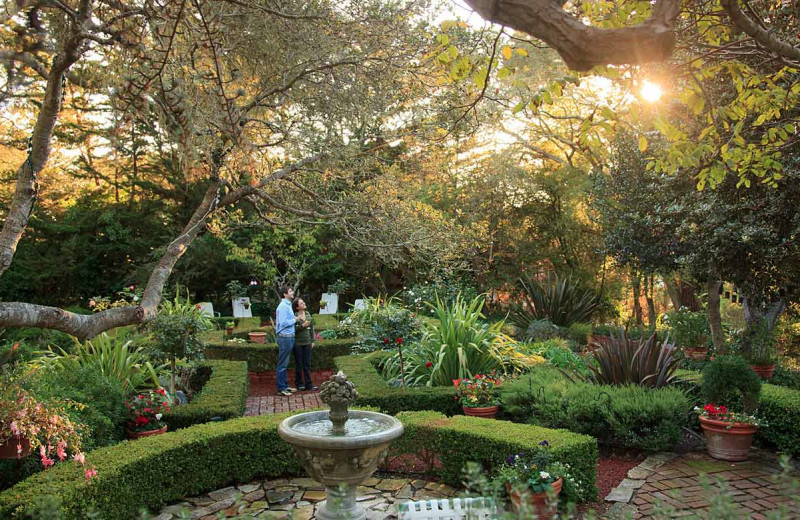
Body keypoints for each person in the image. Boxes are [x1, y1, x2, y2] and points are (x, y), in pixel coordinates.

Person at [275, 285, 302, 396]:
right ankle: (281, 388)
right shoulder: (282, 306)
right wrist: (295, 319)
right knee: (282, 364)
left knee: (285, 363)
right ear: (285, 294)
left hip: (289, 337)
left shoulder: (287, 305)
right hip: (285, 338)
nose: (292, 292)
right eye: (290, 291)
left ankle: (285, 386)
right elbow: (283, 323)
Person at [292, 297, 317, 391]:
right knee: (299, 364)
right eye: (301, 303)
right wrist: (302, 326)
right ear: (297, 307)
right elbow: (292, 330)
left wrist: (312, 341)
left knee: (307, 364)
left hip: (307, 343)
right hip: (298, 343)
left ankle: (309, 384)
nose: (304, 304)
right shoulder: (294, 316)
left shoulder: (308, 314)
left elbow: (312, 329)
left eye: (303, 302)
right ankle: (299, 384)